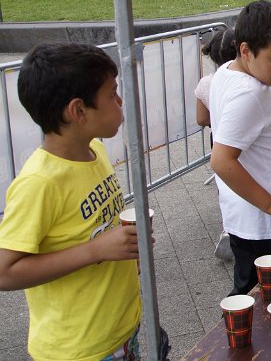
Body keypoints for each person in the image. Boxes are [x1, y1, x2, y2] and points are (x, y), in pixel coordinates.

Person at [0, 43, 165, 360]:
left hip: (118, 330)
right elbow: (5, 272)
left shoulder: (95, 151)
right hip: (79, 349)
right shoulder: (39, 183)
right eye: (112, 94)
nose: (121, 102)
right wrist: (96, 250)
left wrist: (123, 247)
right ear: (78, 111)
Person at [209, 0, 271, 295]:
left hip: (254, 221)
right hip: (266, 226)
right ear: (245, 51)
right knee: (265, 299)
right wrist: (270, 203)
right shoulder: (249, 93)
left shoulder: (228, 72)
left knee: (256, 295)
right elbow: (221, 160)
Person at [195, 27, 239, 261]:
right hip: (239, 139)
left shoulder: (206, 83)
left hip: (218, 138)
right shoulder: (246, 81)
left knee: (225, 184)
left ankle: (228, 228)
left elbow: (201, 119)